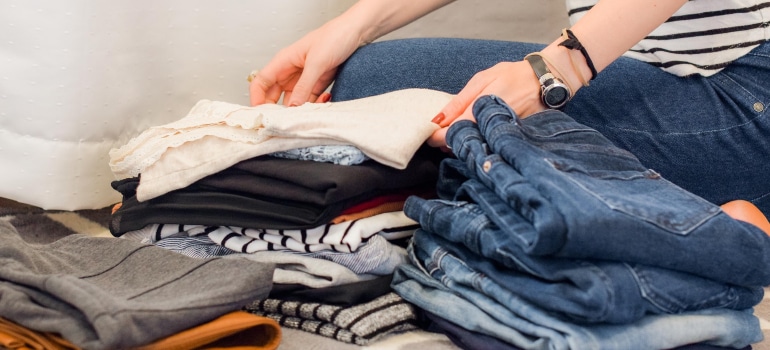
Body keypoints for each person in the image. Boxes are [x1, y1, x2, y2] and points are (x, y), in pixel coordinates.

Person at [248, 0, 770, 234]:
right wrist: (353, 25)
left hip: (738, 96)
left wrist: (560, 67)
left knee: (376, 86)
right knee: (362, 79)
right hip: (649, 77)